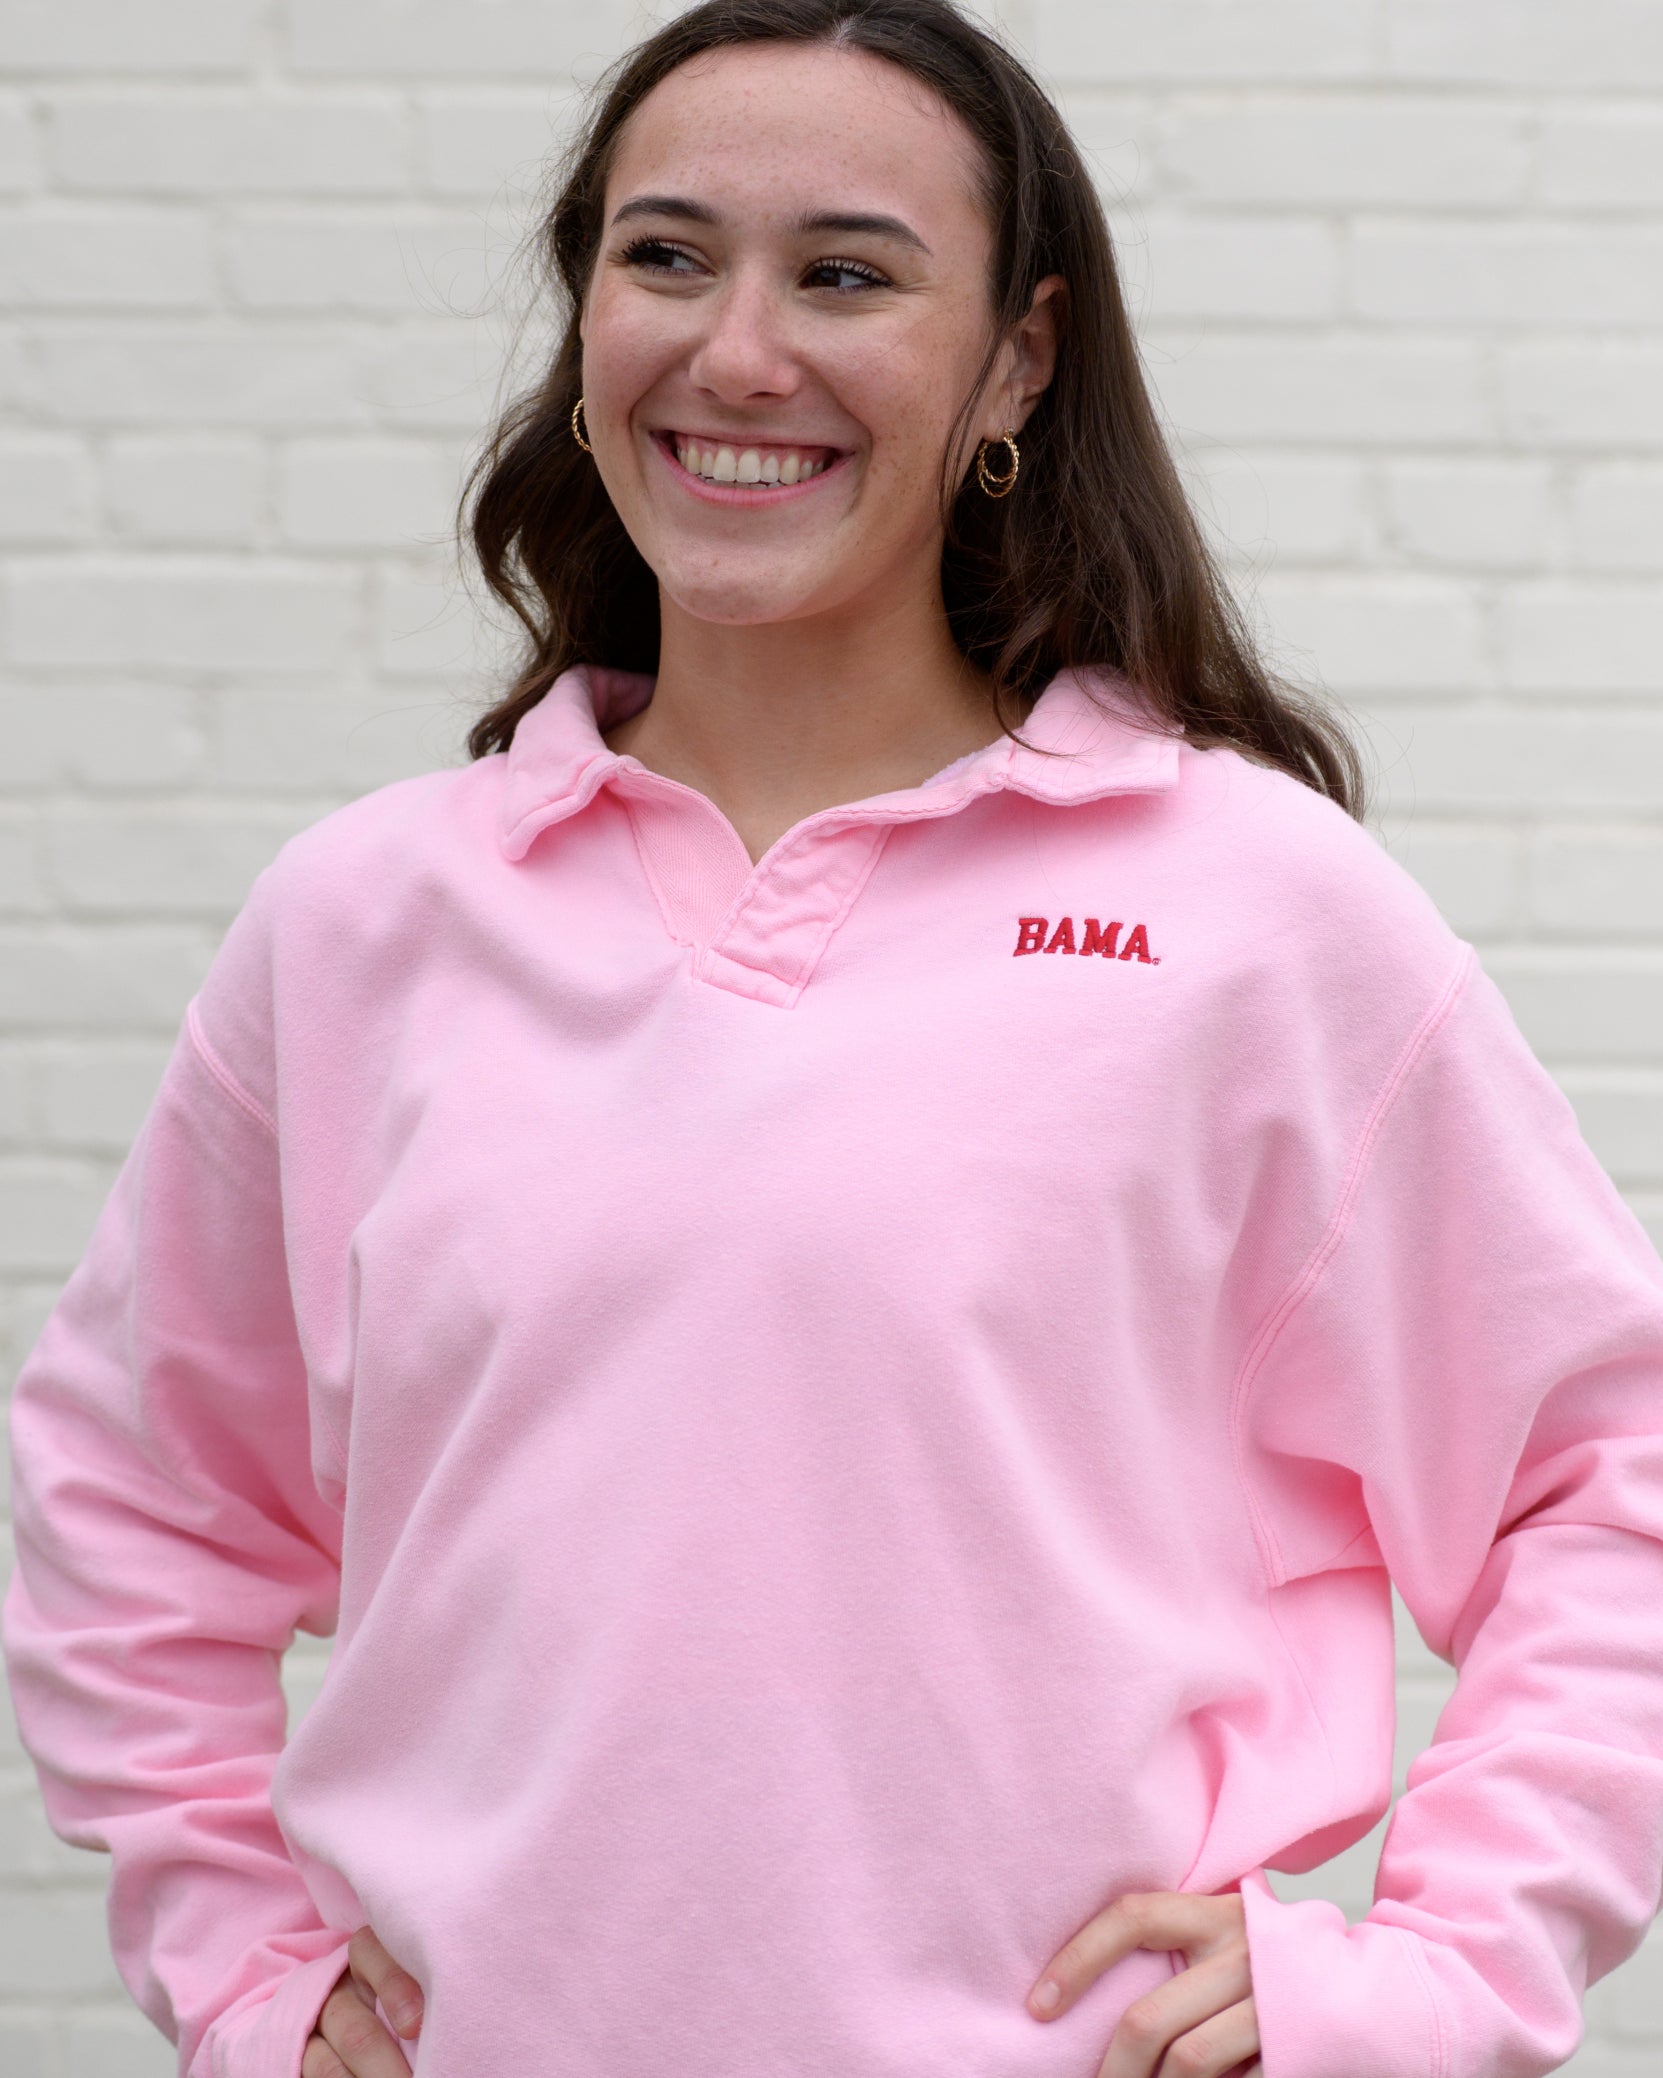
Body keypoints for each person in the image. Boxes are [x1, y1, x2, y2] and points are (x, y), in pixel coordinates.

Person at [5, 2, 1663, 2074]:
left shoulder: (1257, 914)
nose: (738, 353)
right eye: (667, 256)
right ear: (586, 314)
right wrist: (245, 1958)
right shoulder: (360, 924)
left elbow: (1606, 1480)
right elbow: (135, 1501)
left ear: (1020, 360)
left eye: (847, 275)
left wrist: (1429, 1977)